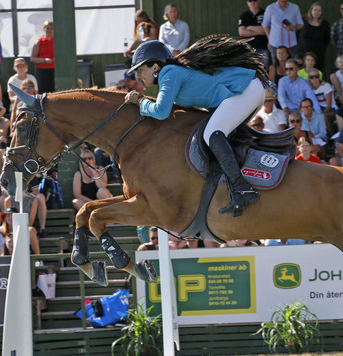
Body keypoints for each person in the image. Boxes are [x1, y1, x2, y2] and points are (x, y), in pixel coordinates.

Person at [125, 37, 268, 215]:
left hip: (245, 91)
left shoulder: (169, 72)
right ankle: (239, 187)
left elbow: (161, 111)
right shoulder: (173, 73)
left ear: (155, 67)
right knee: (215, 136)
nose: (138, 76)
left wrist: (140, 101)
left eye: (140, 70)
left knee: (212, 134)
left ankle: (242, 188)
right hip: (248, 91)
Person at [297, 3, 330, 71]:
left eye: (319, 11)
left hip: (318, 55)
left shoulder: (325, 24)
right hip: (303, 53)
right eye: (315, 10)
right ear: (311, 10)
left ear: (322, 12)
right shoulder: (303, 20)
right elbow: (296, 34)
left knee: (316, 74)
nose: (317, 12)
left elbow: (327, 39)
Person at [238, 0, 269, 69]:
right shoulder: (244, 15)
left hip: (263, 48)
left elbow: (266, 29)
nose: (253, 2)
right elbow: (242, 32)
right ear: (247, 2)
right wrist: (260, 31)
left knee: (264, 70)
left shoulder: (265, 13)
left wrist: (249, 28)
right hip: (248, 49)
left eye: (255, 0)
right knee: (249, 70)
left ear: (259, 1)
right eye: (250, 0)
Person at [31, 20, 55, 93]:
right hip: (41, 71)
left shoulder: (56, 41)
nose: (49, 30)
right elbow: (32, 58)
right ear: (44, 29)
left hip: (54, 70)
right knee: (43, 92)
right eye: (47, 28)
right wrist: (44, 60)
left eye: (51, 28)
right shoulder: (38, 42)